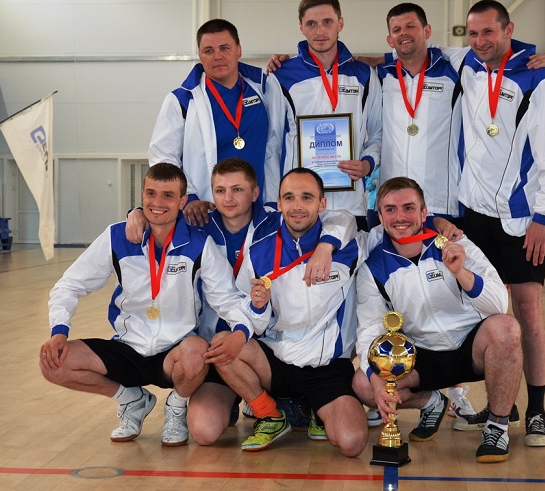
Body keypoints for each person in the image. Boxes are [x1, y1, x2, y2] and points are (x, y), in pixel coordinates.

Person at [124, 158, 356, 441]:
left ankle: (282, 400)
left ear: (255, 193)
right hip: (213, 345)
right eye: (220, 191)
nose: (228, 198)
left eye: (238, 190)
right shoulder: (198, 224)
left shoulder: (274, 219)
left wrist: (325, 245)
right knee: (204, 430)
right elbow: (161, 213)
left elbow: (339, 218)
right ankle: (254, 402)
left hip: (260, 342)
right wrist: (136, 213)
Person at [40, 163, 258, 447]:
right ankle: (132, 399)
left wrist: (241, 329)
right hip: (128, 347)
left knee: (197, 350)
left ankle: (176, 407)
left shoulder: (199, 244)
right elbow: (69, 285)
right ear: (142, 195)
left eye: (168, 196)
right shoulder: (117, 237)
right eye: (151, 194)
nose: (157, 203)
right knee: (53, 363)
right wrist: (59, 330)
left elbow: (226, 297)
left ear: (182, 201)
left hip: (175, 352)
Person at [456, 0, 545, 447]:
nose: (480, 41)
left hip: (522, 218)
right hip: (473, 215)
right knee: (483, 314)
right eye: (473, 33)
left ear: (509, 29)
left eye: (489, 32)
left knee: (528, 314)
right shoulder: (467, 63)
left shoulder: (539, 77)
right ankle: (502, 404)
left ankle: (538, 411)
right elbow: (412, 51)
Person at [352, 177, 521, 463]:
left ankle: (497, 426)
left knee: (506, 328)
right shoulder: (374, 266)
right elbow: (369, 329)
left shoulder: (455, 243)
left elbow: (499, 304)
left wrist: (461, 273)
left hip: (471, 348)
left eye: (408, 208)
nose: (400, 217)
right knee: (363, 383)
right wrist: (376, 381)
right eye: (390, 210)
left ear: (424, 213)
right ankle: (432, 402)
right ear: (379, 217)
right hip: (422, 356)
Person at [211, 167, 367, 457]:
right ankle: (270, 413)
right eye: (289, 198)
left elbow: (358, 222)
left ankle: (314, 408)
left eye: (307, 197)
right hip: (277, 362)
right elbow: (247, 314)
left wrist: (326, 247)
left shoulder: (348, 246)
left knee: (351, 442)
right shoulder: (259, 250)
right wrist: (257, 306)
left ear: (322, 203)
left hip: (326, 367)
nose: (297, 206)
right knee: (223, 344)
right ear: (279, 203)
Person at [149, 19, 283, 226]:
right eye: (209, 50)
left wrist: (274, 198)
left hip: (259, 211)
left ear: (239, 50)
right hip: (205, 211)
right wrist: (189, 198)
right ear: (200, 55)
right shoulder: (181, 100)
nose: (217, 56)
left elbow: (275, 147)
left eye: (224, 48)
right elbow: (163, 158)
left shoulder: (264, 89)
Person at [270, 0, 382, 230]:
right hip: (300, 205)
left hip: (350, 203)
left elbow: (379, 131)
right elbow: (273, 143)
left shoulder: (364, 75)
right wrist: (273, 200)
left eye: (327, 22)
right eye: (311, 24)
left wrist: (368, 163)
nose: (320, 31)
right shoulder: (282, 76)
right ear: (301, 27)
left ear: (340, 23)